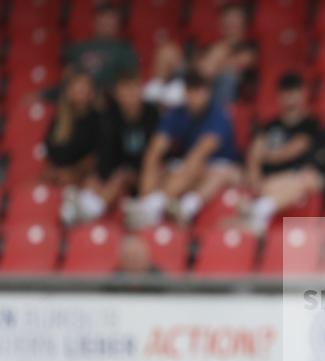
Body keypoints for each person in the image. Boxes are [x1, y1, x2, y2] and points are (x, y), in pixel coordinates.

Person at [126, 70, 241, 229]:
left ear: (207, 93)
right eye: (191, 92)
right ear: (185, 93)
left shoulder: (218, 115)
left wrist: (167, 189)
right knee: (159, 166)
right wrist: (148, 189)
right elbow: (155, 150)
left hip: (218, 166)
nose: (195, 98)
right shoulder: (176, 113)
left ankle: (157, 206)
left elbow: (200, 152)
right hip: (186, 166)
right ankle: (148, 203)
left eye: (199, 92)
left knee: (198, 166)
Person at [63, 71, 159, 225]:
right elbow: (108, 154)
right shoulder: (110, 118)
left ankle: (90, 210)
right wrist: (105, 174)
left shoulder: (153, 115)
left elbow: (157, 152)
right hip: (120, 171)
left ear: (140, 90)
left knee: (122, 177)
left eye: (133, 90)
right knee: (95, 178)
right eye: (125, 92)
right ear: (117, 95)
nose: (130, 97)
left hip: (147, 172)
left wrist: (133, 171)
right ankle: (83, 205)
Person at [242, 72, 323, 234]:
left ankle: (259, 210)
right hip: (267, 181)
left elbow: (292, 150)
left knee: (306, 178)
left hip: (293, 177)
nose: (290, 98)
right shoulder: (269, 125)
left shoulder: (310, 124)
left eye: (294, 92)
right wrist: (254, 175)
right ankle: (259, 211)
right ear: (279, 96)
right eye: (286, 93)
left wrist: (264, 154)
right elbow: (253, 153)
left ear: (303, 94)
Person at [43, 71, 102, 203]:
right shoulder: (60, 119)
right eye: (76, 87)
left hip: (86, 178)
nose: (79, 91)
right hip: (60, 177)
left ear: (92, 92)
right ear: (68, 92)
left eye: (84, 87)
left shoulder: (99, 119)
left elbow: (97, 156)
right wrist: (55, 171)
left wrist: (74, 173)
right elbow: (50, 150)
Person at [63, 3, 139, 94]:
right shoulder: (78, 48)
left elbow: (130, 82)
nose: (106, 23)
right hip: (83, 98)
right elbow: (68, 74)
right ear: (94, 22)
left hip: (112, 101)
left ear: (117, 23)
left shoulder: (125, 50)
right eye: (102, 19)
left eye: (110, 19)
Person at [195, 2, 257, 105]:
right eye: (228, 21)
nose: (231, 25)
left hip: (238, 99)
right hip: (207, 92)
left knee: (228, 76)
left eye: (235, 20)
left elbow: (244, 61)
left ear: (244, 23)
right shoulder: (214, 47)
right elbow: (200, 71)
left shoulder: (250, 45)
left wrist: (217, 64)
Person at [143, 41, 187, 111]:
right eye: (162, 59)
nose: (165, 65)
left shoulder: (184, 88)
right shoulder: (149, 89)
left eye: (171, 58)